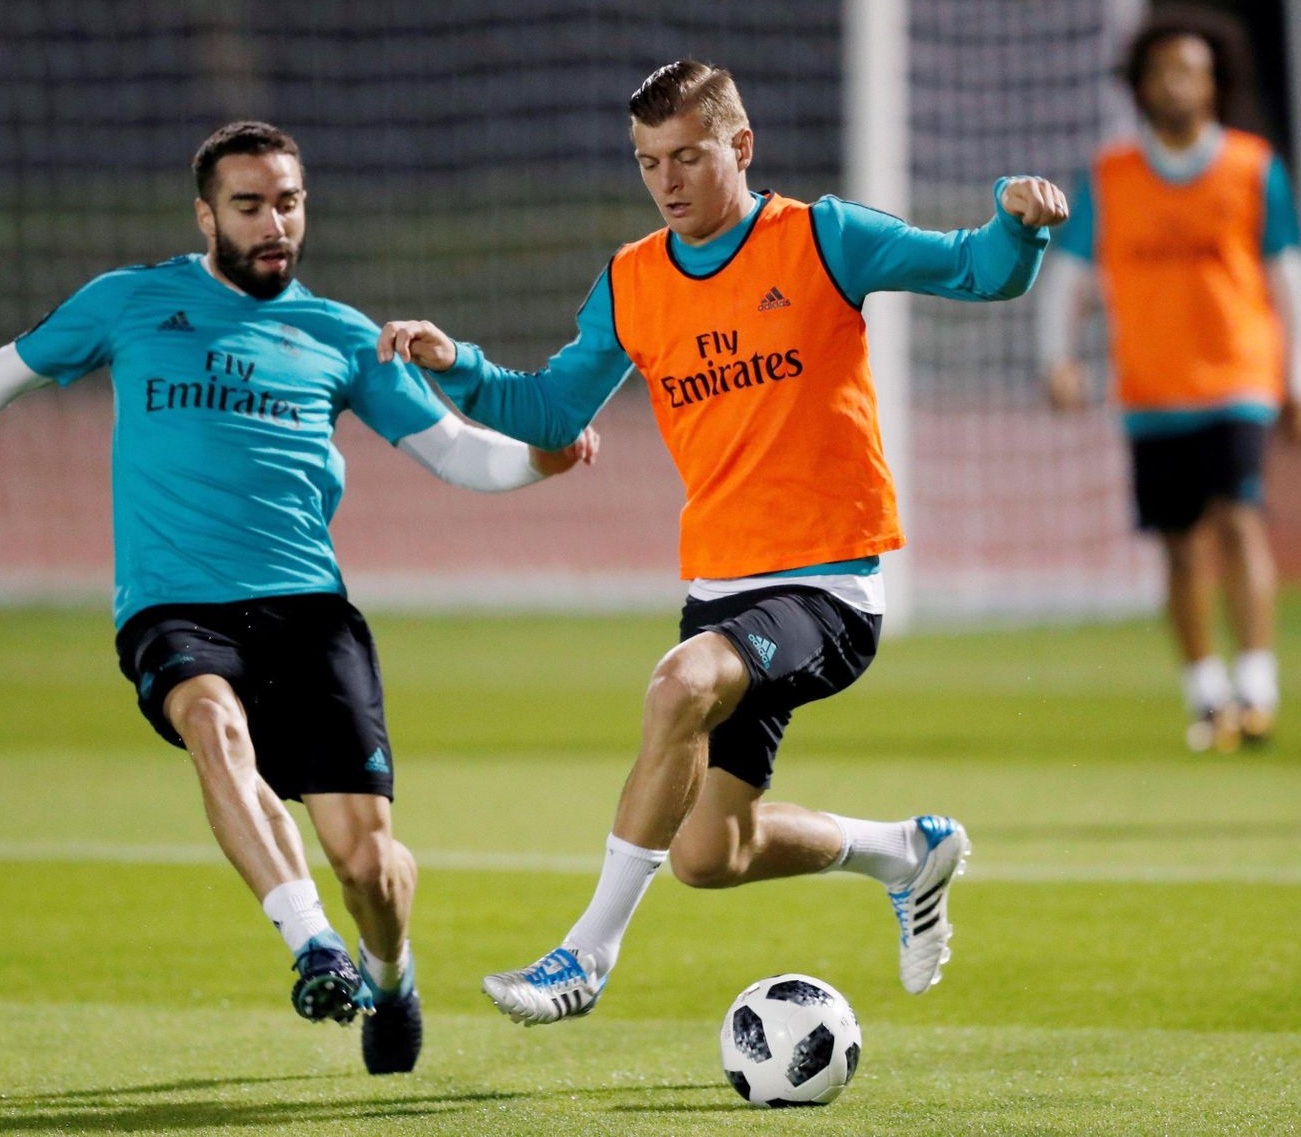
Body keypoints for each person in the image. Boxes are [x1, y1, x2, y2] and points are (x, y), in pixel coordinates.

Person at [0, 120, 598, 1072]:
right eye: (248, 205)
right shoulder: (131, 302)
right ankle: (310, 943)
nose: (272, 222)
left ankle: (388, 968)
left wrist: (544, 458)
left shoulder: (341, 336)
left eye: (287, 201)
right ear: (207, 214)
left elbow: (455, 453)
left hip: (308, 610)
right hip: (174, 602)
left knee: (370, 865)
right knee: (213, 724)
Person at [376, 60, 1067, 1025]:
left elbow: (978, 270)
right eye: (648, 161)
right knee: (709, 853)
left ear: (739, 148)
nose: (666, 180)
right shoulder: (631, 280)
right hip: (720, 591)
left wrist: (1016, 221)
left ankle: (586, 953)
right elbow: (549, 408)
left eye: (687, 156)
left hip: (829, 589)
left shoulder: (823, 238)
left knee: (679, 684)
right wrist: (461, 363)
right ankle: (906, 852)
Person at [1036, 7, 1301, 753]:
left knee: (1240, 519)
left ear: (1214, 82)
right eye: (1164, 71)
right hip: (1151, 387)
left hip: (1238, 375)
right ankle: (1206, 694)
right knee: (1178, 543)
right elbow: (1069, 274)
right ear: (1141, 84)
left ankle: (1256, 684)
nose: (1177, 84)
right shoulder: (1110, 175)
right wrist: (1058, 357)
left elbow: (1286, 275)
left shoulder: (1252, 167)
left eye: (1191, 71)